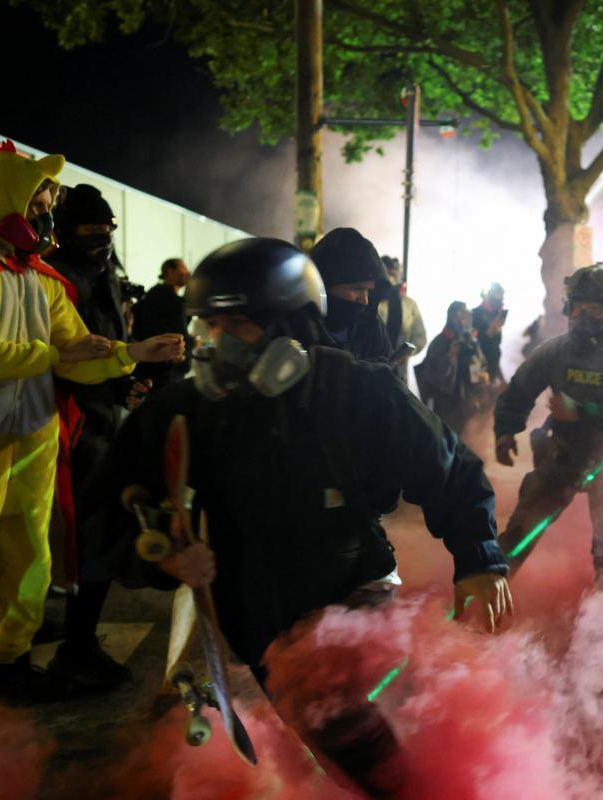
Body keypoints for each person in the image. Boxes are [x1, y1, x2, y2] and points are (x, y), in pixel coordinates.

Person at [91, 237, 511, 797]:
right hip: (255, 612)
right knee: (337, 739)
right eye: (209, 327)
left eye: (237, 326)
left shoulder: (357, 392)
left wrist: (480, 559)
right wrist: (161, 553)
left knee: (356, 735)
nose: (217, 344)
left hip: (351, 588)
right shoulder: (189, 409)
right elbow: (107, 505)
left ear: (290, 326)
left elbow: (451, 470)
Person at [0, 141, 184, 701]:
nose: (45, 214)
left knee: (31, 569)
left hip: (31, 446)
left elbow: (77, 352)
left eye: (48, 203)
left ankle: (6, 665)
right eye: (36, 202)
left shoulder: (44, 280)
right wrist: (57, 355)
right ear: (2, 201)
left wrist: (132, 353)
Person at [46, 184, 152, 691]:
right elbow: (70, 354)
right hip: (72, 422)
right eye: (92, 229)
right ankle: (74, 646)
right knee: (89, 535)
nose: (103, 238)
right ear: (69, 232)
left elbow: (108, 344)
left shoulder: (102, 272)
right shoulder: (56, 277)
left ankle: (71, 638)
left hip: (103, 416)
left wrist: (126, 383)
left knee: (93, 533)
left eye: (108, 228)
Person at [494, 263, 603, 584]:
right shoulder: (555, 351)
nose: (583, 316)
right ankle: (481, 600)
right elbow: (519, 391)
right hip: (564, 454)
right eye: (578, 306)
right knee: (516, 538)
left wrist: (582, 411)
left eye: (593, 308)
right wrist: (505, 431)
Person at [309, 228, 392, 362]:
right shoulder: (300, 327)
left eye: (368, 291)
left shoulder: (372, 326)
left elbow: (391, 370)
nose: (365, 300)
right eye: (357, 289)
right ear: (324, 284)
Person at [416, 301, 490, 436]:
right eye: (461, 317)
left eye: (467, 317)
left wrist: (480, 372)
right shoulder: (439, 343)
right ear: (452, 318)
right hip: (446, 405)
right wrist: (450, 356)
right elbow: (433, 377)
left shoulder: (472, 341)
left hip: (469, 402)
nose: (465, 321)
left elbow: (482, 364)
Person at [131, 258, 192, 392]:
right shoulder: (161, 295)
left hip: (168, 365)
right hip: (163, 368)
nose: (187, 273)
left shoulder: (168, 297)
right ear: (170, 272)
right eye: (183, 269)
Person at [376, 256, 427, 382]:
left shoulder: (409, 305)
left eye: (393, 274)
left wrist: (407, 353)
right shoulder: (371, 300)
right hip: (373, 367)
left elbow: (420, 337)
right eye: (387, 273)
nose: (391, 279)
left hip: (399, 372)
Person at [471, 282, 507, 385]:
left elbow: (496, 344)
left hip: (492, 368)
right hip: (477, 366)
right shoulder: (475, 313)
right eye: (499, 298)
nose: (501, 302)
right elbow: (471, 343)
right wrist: (488, 333)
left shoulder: (497, 315)